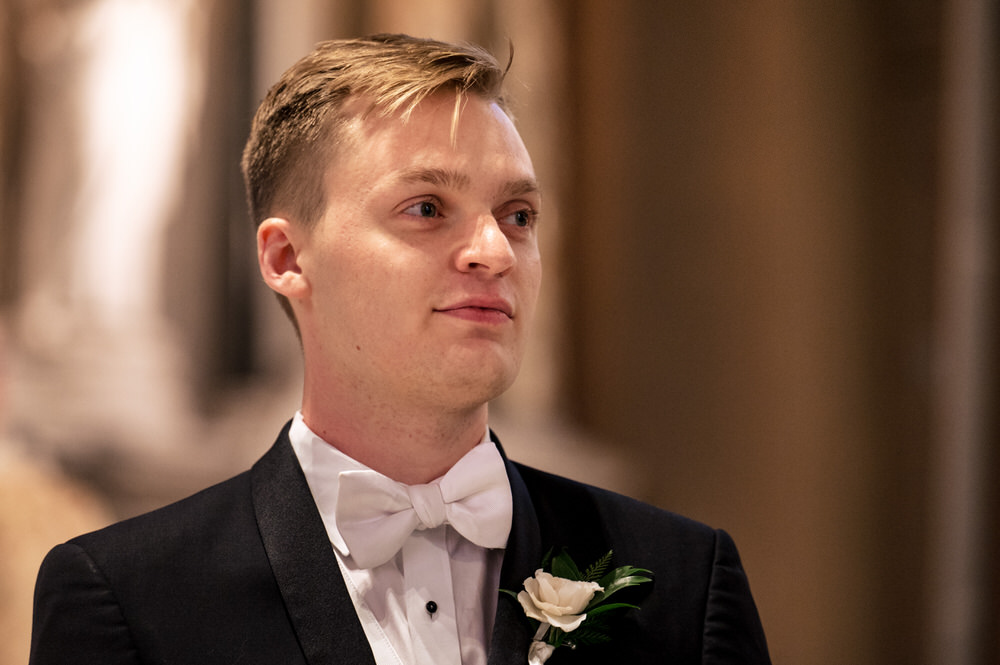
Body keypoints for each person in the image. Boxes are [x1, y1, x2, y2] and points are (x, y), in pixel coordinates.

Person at [28, 34, 770, 664]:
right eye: (426, 208)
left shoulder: (681, 581)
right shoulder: (129, 599)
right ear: (288, 257)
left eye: (517, 215)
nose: (494, 251)